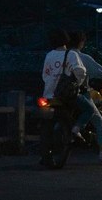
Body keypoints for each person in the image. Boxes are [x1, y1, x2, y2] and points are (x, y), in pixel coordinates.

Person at [67, 30, 102, 165]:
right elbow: (100, 71)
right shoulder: (82, 57)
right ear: (81, 42)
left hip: (58, 93)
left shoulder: (60, 56)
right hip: (79, 92)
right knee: (99, 121)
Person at [39, 28, 85, 165]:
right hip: (64, 96)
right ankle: (75, 133)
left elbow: (44, 75)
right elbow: (80, 72)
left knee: (45, 124)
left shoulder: (49, 55)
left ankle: (45, 153)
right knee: (82, 109)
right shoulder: (71, 54)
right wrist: (78, 84)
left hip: (48, 95)